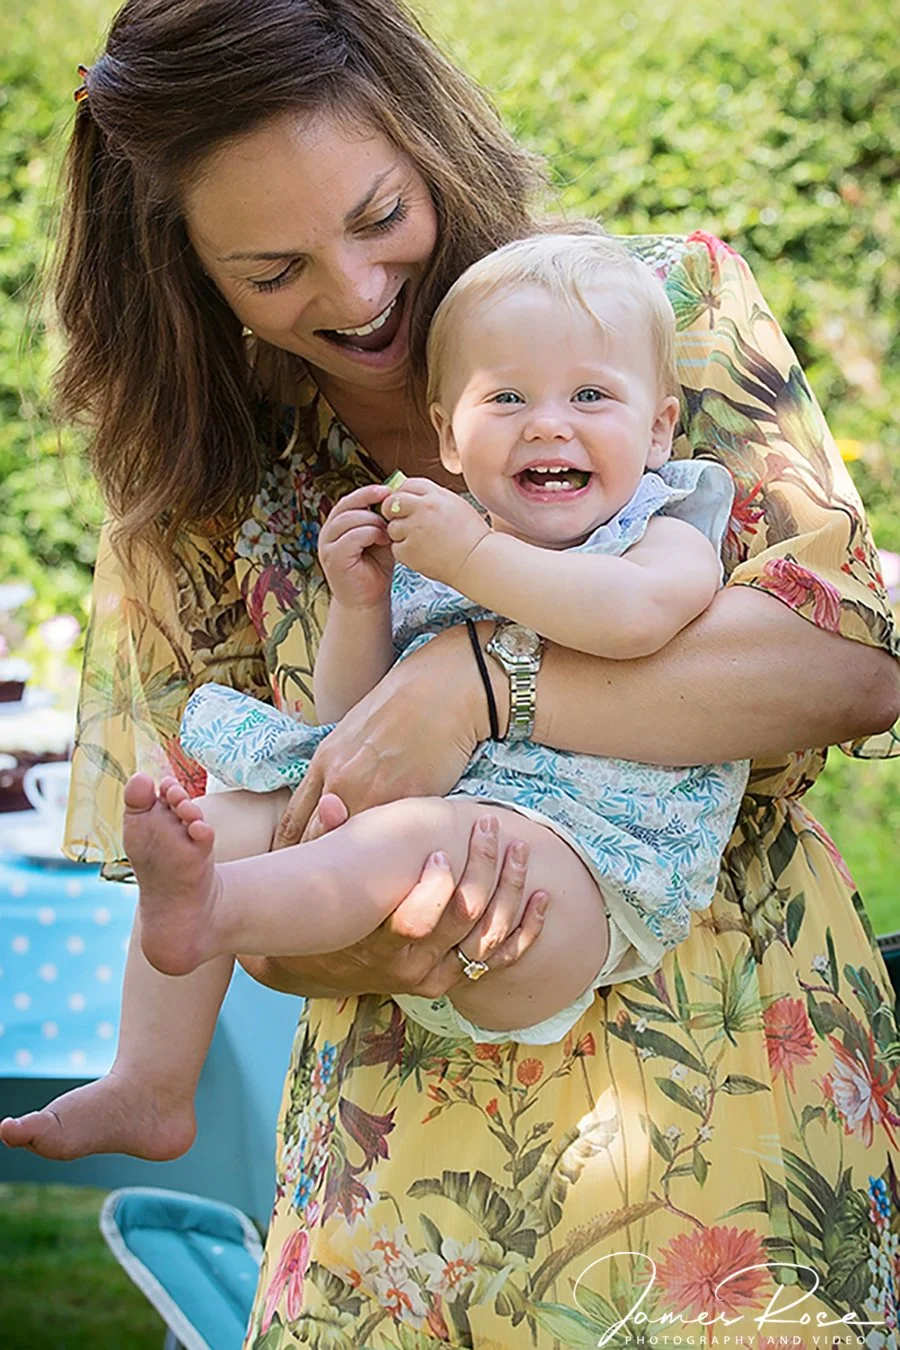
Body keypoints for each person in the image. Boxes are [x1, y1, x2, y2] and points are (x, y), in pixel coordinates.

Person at [6, 0, 900, 1343]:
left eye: (379, 217)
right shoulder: (199, 498)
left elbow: (846, 660)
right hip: (399, 1182)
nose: (358, 295)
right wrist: (397, 902)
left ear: (430, 145)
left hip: (729, 1109)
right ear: (187, 272)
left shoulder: (648, 314)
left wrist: (477, 686)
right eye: (273, 267)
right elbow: (236, 863)